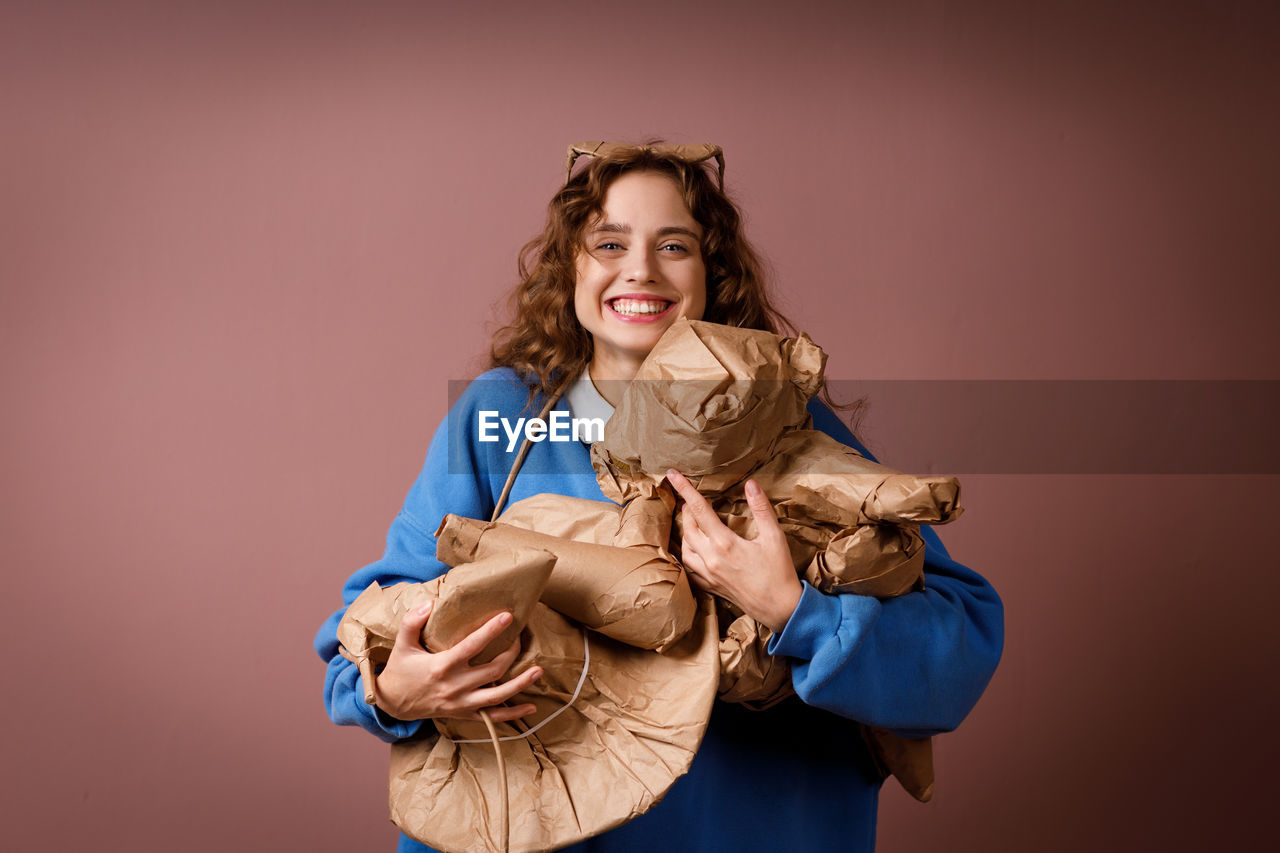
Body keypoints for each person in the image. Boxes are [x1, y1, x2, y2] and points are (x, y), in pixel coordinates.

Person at [315, 142, 1004, 852]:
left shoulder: (785, 422)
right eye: (609, 242)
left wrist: (789, 610)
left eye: (674, 244)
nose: (640, 268)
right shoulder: (501, 421)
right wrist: (394, 691)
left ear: (711, 273)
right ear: (571, 268)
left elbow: (954, 649)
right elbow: (360, 645)